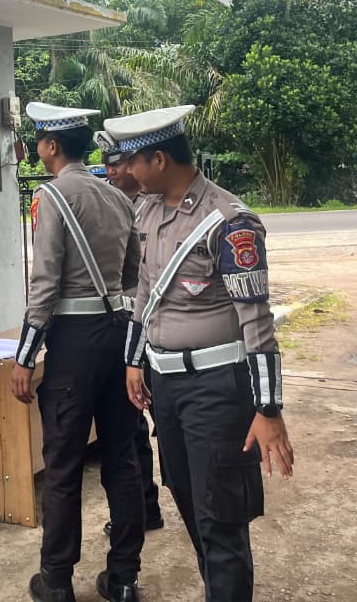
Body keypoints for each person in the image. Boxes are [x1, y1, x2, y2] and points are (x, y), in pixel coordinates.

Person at [106, 106, 295, 602]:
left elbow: (257, 321)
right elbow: (144, 294)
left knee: (221, 519)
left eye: (131, 161)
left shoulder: (230, 222)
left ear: (159, 159)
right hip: (166, 387)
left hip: (217, 390)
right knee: (187, 497)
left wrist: (268, 409)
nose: (125, 171)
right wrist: (134, 360)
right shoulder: (148, 211)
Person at [13, 103, 145, 602]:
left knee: (64, 465)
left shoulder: (50, 196)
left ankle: (57, 580)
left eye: (39, 141)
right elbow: (133, 275)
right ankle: (124, 577)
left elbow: (45, 283)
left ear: (51, 146)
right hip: (118, 334)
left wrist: (25, 357)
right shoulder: (116, 196)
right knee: (122, 458)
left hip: (73, 341)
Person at [94, 131, 164, 536]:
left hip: (162, 330)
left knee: (166, 421)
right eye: (109, 164)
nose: (114, 171)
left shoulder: (157, 205)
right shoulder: (107, 205)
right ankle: (145, 508)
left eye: (120, 162)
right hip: (126, 329)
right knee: (131, 424)